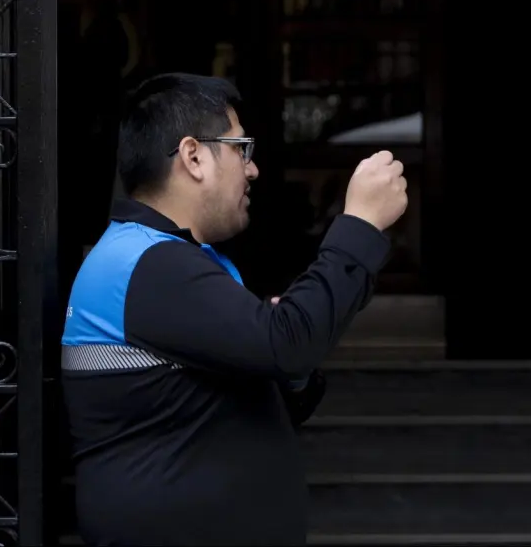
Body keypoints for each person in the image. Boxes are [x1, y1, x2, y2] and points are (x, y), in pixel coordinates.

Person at [61, 73, 409, 546]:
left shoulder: (165, 258)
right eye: (240, 148)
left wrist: (284, 361)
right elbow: (288, 344)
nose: (252, 169)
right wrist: (361, 223)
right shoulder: (147, 264)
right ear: (194, 156)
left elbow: (262, 372)